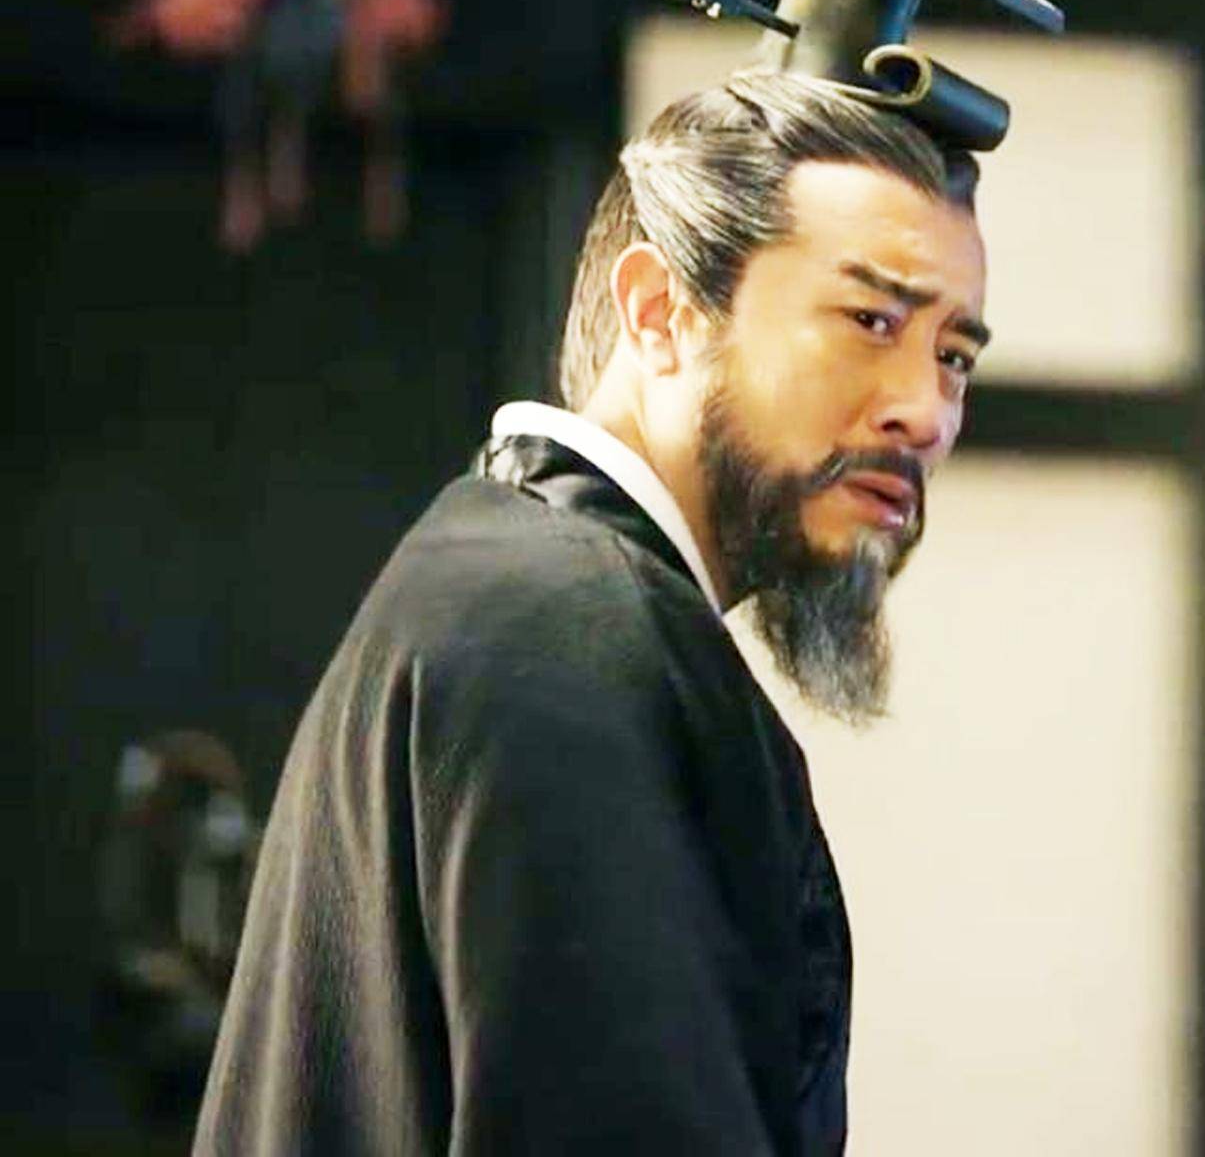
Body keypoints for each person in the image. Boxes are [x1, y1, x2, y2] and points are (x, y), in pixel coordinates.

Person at [192, 70, 990, 1155]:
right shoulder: (565, 639)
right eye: (869, 320)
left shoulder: (513, 585)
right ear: (659, 312)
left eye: (952, 355)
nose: (925, 411)